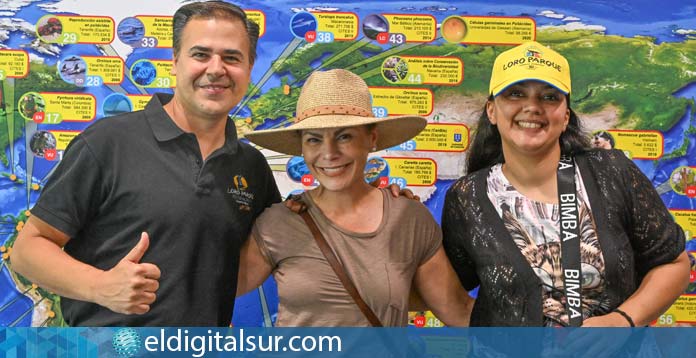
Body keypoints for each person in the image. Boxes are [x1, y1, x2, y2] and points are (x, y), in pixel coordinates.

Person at [11, 1, 282, 326]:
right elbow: (28, 250)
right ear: (175, 62)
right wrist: (101, 287)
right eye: (200, 54)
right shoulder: (108, 142)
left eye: (231, 57)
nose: (216, 68)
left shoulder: (251, 167)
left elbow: (247, 262)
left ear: (250, 68)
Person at [442, 41, 689, 327]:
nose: (532, 107)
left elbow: (675, 265)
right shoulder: (468, 197)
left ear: (566, 116)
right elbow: (442, 289)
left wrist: (622, 321)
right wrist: (396, 211)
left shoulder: (611, 172)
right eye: (515, 94)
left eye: (549, 97)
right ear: (492, 111)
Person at [239, 69, 473, 326]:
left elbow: (458, 310)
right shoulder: (278, 222)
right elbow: (217, 290)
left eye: (344, 136)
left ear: (371, 139)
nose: (329, 154)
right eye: (314, 140)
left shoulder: (408, 218)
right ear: (302, 148)